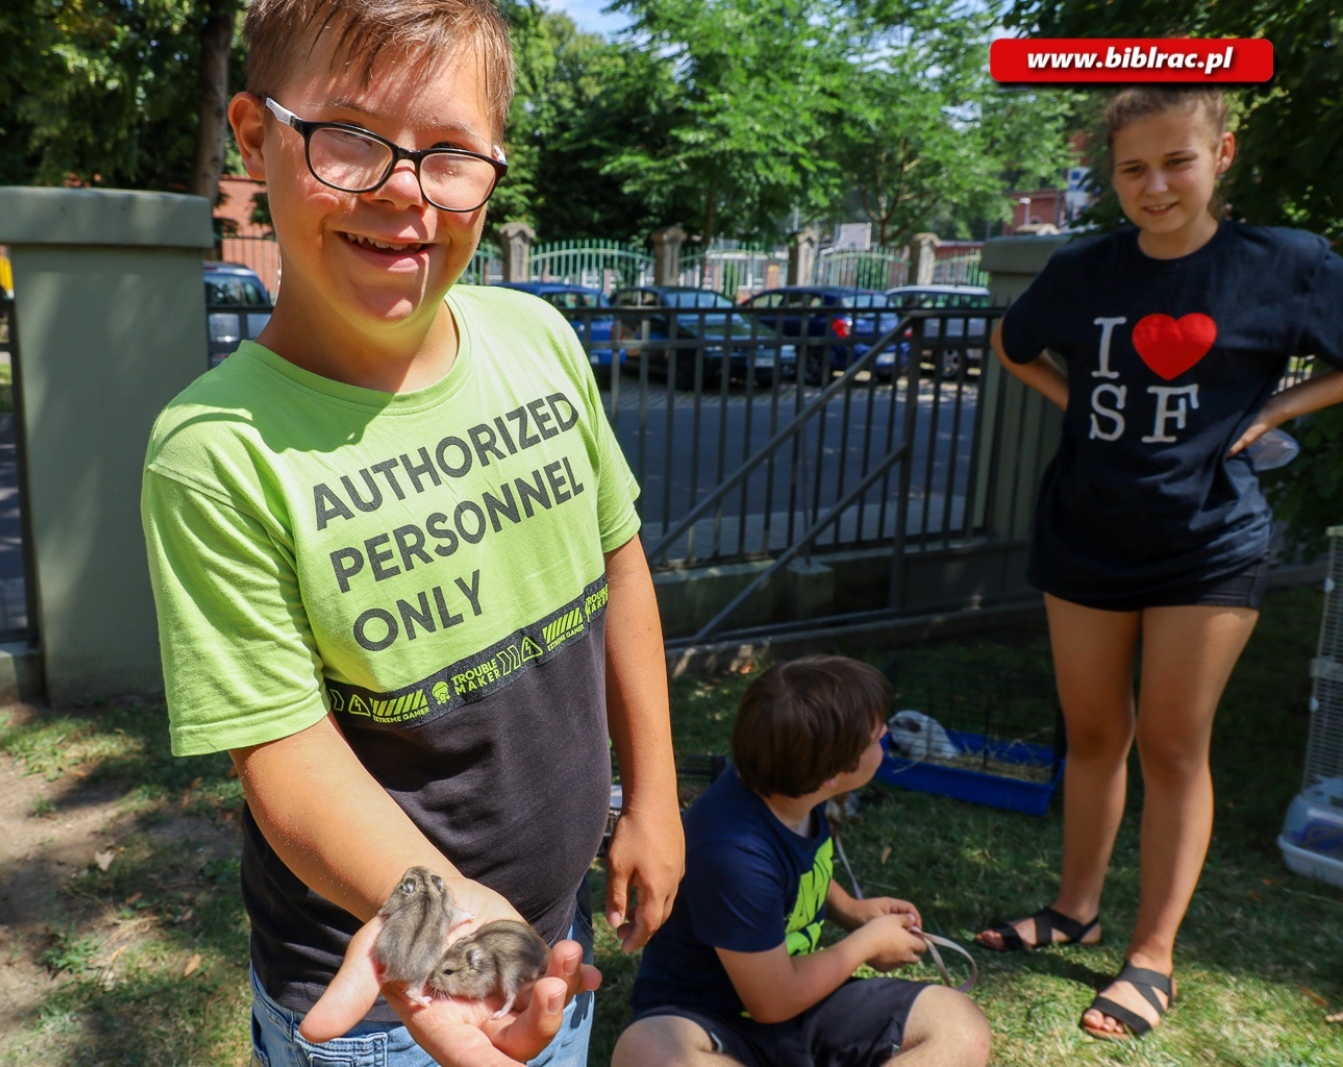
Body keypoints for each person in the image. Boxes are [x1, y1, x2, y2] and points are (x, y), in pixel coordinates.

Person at [139, 2, 684, 1065]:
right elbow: (283, 750)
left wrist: (655, 796)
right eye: (349, 137)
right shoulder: (215, 450)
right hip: (394, 993)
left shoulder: (538, 339)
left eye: (450, 152)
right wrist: (443, 921)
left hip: (548, 948)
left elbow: (619, 570)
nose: (403, 189)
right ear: (253, 138)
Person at [977, 86, 1343, 1041]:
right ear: (1112, 175)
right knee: (1095, 734)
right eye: (1133, 168)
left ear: (1221, 154)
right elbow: (1013, 345)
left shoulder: (1286, 264)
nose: (1155, 186)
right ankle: (1075, 909)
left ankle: (1152, 956)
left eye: (1177, 160)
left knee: (1175, 746)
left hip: (1209, 541)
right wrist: (1079, 406)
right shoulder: (1085, 267)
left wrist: (1278, 408)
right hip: (1086, 532)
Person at [614, 656, 993, 1067]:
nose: (884, 734)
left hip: (806, 1007)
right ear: (831, 772)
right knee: (647, 1051)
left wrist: (851, 911)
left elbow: (797, 871)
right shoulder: (732, 852)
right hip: (711, 1021)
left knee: (961, 1027)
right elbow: (771, 1002)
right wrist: (867, 942)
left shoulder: (785, 781)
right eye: (874, 737)